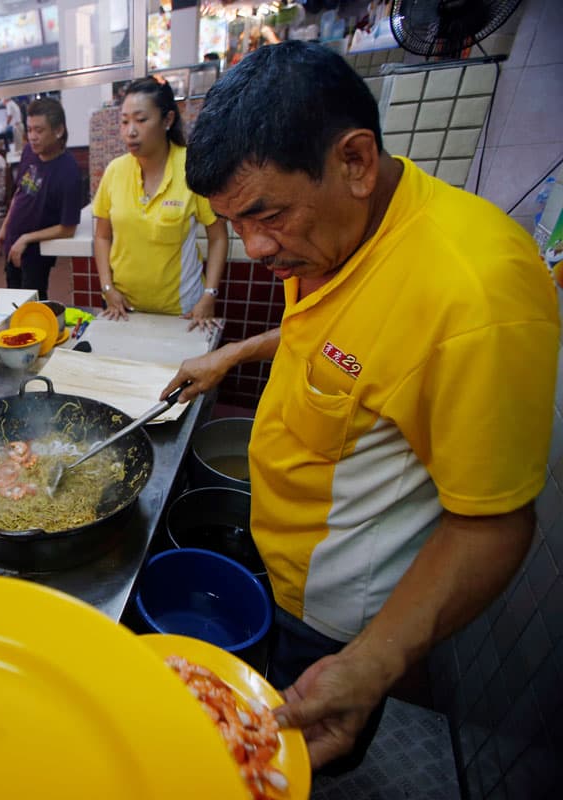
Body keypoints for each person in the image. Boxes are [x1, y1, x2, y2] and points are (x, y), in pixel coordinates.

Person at [159, 42, 558, 773]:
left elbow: (496, 522)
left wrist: (375, 664)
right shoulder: (333, 236)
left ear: (355, 161)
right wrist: (235, 353)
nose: (252, 247)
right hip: (278, 559)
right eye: (233, 222)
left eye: (266, 214)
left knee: (292, 766)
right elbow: (353, 341)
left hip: (341, 613)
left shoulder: (477, 295)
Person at [92, 77, 228, 330]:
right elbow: (102, 237)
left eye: (141, 120)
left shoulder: (192, 168)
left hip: (183, 311)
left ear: (167, 120)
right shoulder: (114, 171)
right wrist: (107, 288)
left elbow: (218, 237)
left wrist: (209, 294)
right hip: (123, 308)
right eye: (124, 121)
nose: (130, 131)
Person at [0, 97, 83, 302]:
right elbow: (20, 192)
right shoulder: (29, 151)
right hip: (13, 241)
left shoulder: (69, 171)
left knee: (32, 306)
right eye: (29, 129)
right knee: (12, 302)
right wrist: (6, 226)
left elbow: (68, 228)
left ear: (58, 130)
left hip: (36, 251)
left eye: (39, 130)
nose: (32, 137)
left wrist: (26, 238)